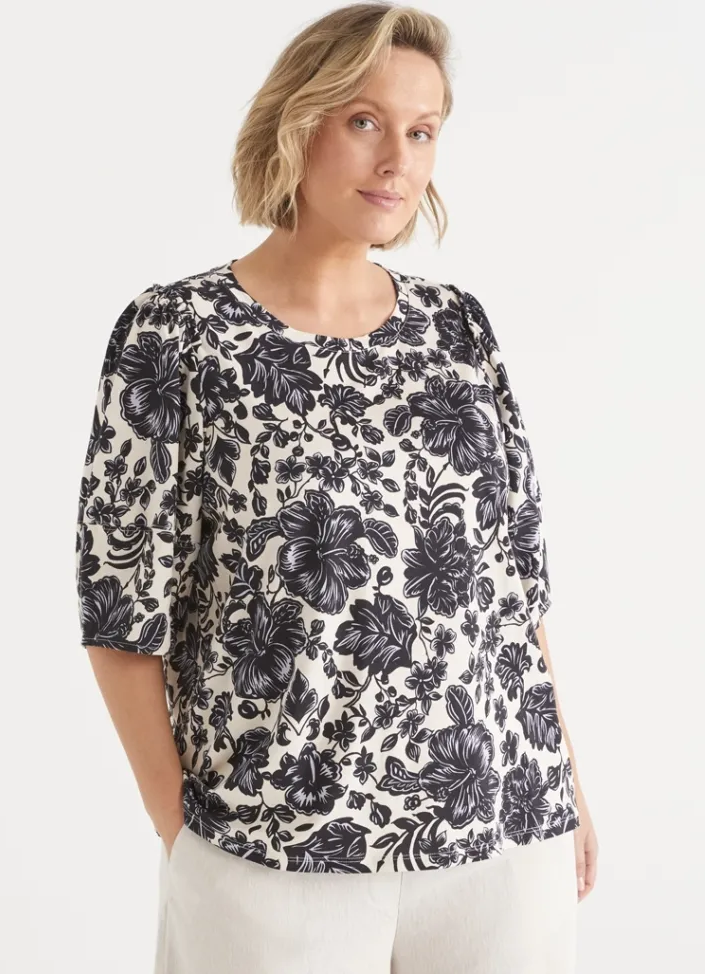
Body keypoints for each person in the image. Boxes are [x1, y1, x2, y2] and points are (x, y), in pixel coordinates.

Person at [74, 3, 599, 972]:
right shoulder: (179, 335)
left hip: (501, 833)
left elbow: (512, 589)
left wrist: (561, 780)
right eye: (364, 122)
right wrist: (179, 832)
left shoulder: (456, 330)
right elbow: (120, 606)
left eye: (421, 131)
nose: (396, 159)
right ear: (296, 123)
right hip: (275, 844)